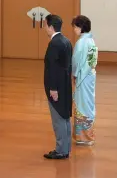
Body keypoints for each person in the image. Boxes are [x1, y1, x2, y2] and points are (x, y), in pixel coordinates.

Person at [42, 14, 73, 159]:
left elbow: (53, 68)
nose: (44, 28)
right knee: (65, 117)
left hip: (57, 87)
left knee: (58, 119)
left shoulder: (54, 44)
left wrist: (53, 89)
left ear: (50, 26)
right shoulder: (66, 41)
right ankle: (66, 148)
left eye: (45, 25)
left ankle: (60, 150)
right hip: (65, 85)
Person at [71, 15, 97, 146]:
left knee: (82, 105)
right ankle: (88, 134)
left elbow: (75, 62)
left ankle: (83, 137)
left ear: (81, 27)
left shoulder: (81, 42)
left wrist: (74, 74)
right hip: (90, 76)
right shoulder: (91, 40)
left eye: (75, 27)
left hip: (82, 77)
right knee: (88, 104)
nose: (74, 30)